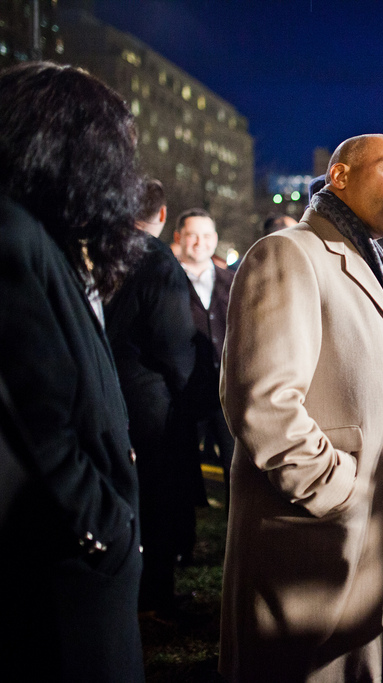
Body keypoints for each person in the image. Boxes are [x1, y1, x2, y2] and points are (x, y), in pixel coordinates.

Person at [218, 134, 383, 682]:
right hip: (307, 537)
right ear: (340, 177)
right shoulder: (289, 252)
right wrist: (338, 491)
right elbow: (263, 405)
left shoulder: (371, 264)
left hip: (355, 543)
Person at [0, 61, 148, 681]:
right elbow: (36, 423)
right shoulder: (14, 238)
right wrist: (101, 529)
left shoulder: (42, 239)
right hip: (65, 586)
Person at [104, 178, 197, 616]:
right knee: (157, 495)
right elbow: (173, 341)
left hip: (107, 388)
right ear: (162, 216)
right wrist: (188, 392)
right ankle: (154, 592)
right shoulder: (157, 259)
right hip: (149, 398)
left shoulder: (103, 248)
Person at [175, 208, 236, 510]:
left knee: (235, 463)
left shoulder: (234, 280)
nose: (200, 242)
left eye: (207, 235)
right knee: (180, 465)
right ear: (179, 238)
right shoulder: (168, 283)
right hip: (185, 390)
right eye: (192, 235)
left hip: (228, 390)